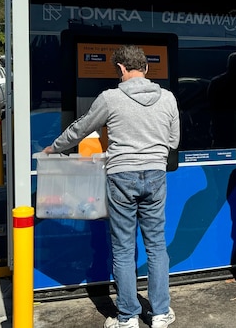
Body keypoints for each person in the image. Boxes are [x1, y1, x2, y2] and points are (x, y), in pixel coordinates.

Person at [43, 45, 180, 328]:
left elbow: (81, 128)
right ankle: (160, 314)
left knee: (123, 247)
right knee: (156, 245)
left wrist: (54, 148)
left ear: (120, 69)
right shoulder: (168, 98)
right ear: (146, 68)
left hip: (121, 176)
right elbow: (174, 141)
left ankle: (127, 317)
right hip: (155, 175)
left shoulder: (111, 98)